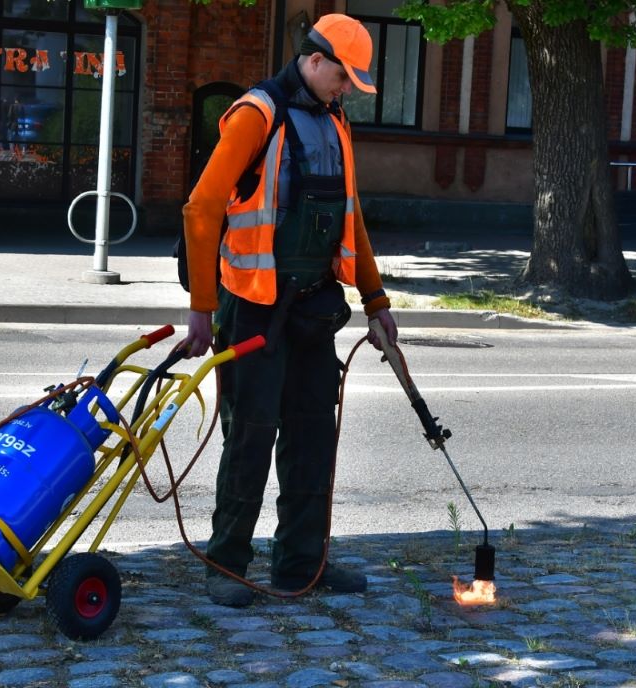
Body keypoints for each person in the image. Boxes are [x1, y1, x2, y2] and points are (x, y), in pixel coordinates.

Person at [180, 13, 399, 607]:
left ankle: (303, 562)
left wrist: (376, 302)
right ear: (315, 58)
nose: (347, 88)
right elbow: (201, 210)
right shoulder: (258, 113)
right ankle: (226, 566)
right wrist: (203, 309)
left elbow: (351, 219)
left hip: (311, 310)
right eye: (344, 76)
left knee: (311, 439)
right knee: (250, 437)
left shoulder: (335, 124)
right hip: (251, 308)